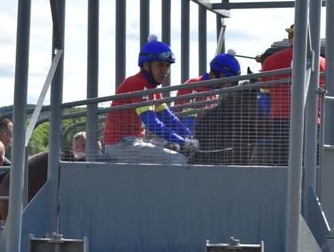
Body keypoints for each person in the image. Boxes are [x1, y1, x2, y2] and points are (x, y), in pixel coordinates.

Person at [102, 35, 197, 165]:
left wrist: (189, 135)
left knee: (176, 149)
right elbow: (152, 123)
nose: (165, 71)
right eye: (160, 65)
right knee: (177, 159)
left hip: (134, 142)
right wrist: (183, 141)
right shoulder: (137, 84)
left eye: (167, 66)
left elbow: (167, 117)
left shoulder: (153, 89)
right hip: (120, 145)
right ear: (146, 65)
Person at [259, 24, 325, 164]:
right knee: (313, 163)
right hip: (313, 120)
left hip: (280, 119)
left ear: (290, 38)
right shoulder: (323, 63)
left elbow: (265, 87)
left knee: (280, 163)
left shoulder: (270, 61)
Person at [174, 52, 242, 130]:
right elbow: (188, 120)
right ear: (222, 75)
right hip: (188, 137)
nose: (229, 85)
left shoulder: (213, 93)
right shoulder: (195, 87)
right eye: (231, 81)